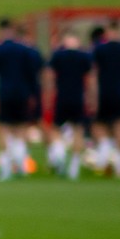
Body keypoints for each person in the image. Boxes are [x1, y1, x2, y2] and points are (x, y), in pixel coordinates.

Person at [0, 17, 43, 181]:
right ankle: (20, 163)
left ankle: (5, 167)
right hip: (23, 94)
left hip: (5, 93)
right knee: (21, 128)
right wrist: (33, 94)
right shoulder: (26, 50)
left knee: (4, 128)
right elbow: (32, 75)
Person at [90, 20, 120, 178]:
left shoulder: (99, 49)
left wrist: (93, 95)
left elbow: (93, 74)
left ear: (107, 31)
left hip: (104, 93)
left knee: (99, 125)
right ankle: (119, 165)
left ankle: (104, 147)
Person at [44, 33, 93, 180]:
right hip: (78, 97)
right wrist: (91, 98)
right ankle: (74, 166)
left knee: (56, 128)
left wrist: (48, 97)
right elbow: (91, 80)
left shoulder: (57, 55)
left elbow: (49, 77)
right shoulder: (84, 57)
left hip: (62, 97)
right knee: (78, 129)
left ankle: (59, 152)